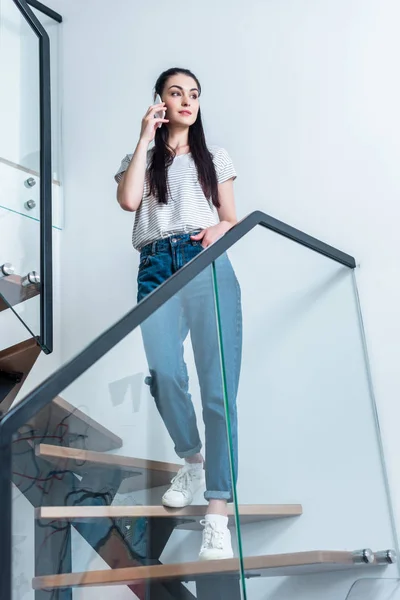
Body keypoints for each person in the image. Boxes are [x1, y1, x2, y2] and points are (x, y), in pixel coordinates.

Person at [114, 67, 242, 561]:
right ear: (160, 101)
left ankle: (216, 511)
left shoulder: (215, 158)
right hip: (155, 268)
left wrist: (219, 230)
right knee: (166, 374)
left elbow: (230, 217)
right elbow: (128, 202)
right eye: (176, 93)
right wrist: (145, 135)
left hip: (206, 264)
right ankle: (191, 459)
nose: (186, 101)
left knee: (218, 391)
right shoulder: (141, 159)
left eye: (193, 94)